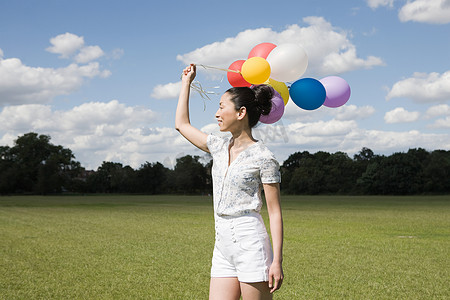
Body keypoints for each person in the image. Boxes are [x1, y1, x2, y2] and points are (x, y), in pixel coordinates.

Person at [175, 64, 284, 300]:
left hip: (250, 243)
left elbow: (274, 212)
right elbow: (181, 125)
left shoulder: (264, 157)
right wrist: (186, 84)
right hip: (222, 243)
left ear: (241, 113)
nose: (216, 113)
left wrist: (277, 260)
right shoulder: (218, 147)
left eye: (221, 107)